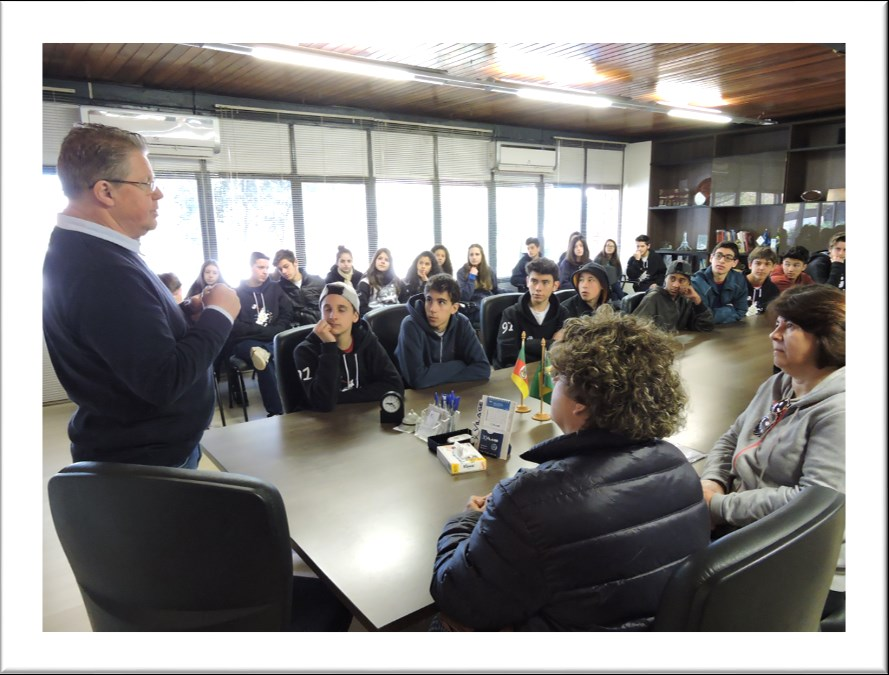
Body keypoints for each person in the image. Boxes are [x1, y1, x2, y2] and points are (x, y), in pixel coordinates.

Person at [429, 310, 710, 631]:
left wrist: (465, 520)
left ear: (581, 401)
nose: (551, 385)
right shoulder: (679, 466)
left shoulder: (530, 500)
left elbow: (455, 594)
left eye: (557, 377)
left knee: (447, 622)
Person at [43, 123, 240, 468]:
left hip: (149, 450)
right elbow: (162, 380)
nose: (158, 194)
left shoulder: (96, 252)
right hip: (147, 463)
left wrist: (182, 316)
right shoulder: (101, 268)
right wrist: (219, 315)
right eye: (146, 183)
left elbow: (125, 342)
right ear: (106, 191)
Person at [699, 284, 845, 611]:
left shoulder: (842, 411)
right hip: (740, 521)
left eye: (789, 326)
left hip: (794, 552)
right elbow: (732, 436)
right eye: (777, 324)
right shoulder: (779, 382)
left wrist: (718, 507)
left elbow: (813, 503)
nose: (774, 335)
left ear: (829, 336)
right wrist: (712, 482)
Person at [293, 282, 403, 412]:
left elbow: (394, 386)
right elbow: (323, 403)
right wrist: (329, 347)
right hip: (319, 425)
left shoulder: (367, 342)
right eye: (327, 309)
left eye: (341, 309)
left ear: (355, 316)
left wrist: (337, 397)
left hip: (359, 421)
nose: (333, 316)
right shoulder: (305, 351)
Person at [395, 273, 491, 389]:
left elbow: (483, 369)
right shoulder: (410, 325)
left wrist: (432, 376)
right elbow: (417, 379)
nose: (432, 309)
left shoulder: (462, 323)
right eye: (429, 300)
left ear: (454, 308)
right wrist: (460, 365)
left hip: (451, 394)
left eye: (441, 302)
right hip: (415, 398)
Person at [228, 251, 293, 417]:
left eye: (267, 268)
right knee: (262, 358)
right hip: (246, 343)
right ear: (251, 267)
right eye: (260, 267)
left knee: (265, 358)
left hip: (272, 339)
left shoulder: (275, 288)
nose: (265, 271)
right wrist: (266, 332)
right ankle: (276, 411)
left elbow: (287, 314)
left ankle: (280, 410)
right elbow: (236, 326)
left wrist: (271, 331)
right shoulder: (236, 293)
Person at [495, 257, 569, 369]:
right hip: (520, 376)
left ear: (555, 286)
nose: (538, 288)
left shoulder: (563, 314)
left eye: (545, 282)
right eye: (534, 281)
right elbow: (507, 356)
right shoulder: (511, 314)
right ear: (527, 281)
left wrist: (526, 346)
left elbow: (566, 352)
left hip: (551, 374)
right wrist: (551, 343)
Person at [634, 260, 714, 332]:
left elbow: (705, 327)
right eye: (672, 279)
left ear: (689, 283)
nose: (675, 285)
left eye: (682, 280)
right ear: (665, 279)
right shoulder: (653, 298)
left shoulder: (684, 300)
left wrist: (697, 300)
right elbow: (636, 330)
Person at [690, 242, 748, 324]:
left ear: (734, 263)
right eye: (718, 256)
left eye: (728, 258)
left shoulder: (739, 280)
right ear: (711, 258)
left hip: (727, 330)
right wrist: (729, 309)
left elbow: (741, 311)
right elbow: (701, 317)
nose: (721, 261)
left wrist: (712, 314)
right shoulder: (697, 281)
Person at [272, 248, 326, 326]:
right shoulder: (279, 289)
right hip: (297, 331)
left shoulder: (318, 282)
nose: (283, 271)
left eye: (286, 266)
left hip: (322, 326)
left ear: (295, 262)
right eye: (280, 269)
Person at [456, 243, 499, 328]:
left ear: (482, 256)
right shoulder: (461, 272)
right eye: (471, 255)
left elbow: (495, 289)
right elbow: (465, 296)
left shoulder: (489, 271)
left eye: (477, 254)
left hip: (488, 301)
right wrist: (472, 277)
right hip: (473, 306)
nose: (474, 257)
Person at [357, 247, 405, 316]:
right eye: (380, 258)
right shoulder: (365, 282)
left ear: (390, 264)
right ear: (375, 261)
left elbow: (404, 303)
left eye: (386, 260)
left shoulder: (397, 281)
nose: (383, 261)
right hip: (374, 320)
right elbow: (361, 308)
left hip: (395, 318)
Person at [744, 245, 781, 315]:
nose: (762, 268)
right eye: (758, 263)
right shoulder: (735, 284)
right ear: (750, 265)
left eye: (767, 264)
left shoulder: (773, 290)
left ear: (773, 267)